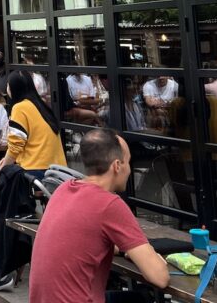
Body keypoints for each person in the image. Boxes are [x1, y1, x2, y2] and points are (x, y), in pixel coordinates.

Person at [29, 128, 169, 303]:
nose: (129, 170)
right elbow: (159, 278)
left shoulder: (63, 190)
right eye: (128, 163)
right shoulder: (109, 204)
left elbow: (88, 238)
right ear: (117, 166)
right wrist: (155, 260)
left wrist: (129, 249)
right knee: (143, 299)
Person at [0, 69, 66, 290]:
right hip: (56, 175)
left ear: (15, 88)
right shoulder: (41, 105)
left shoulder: (20, 107)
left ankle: (0, 271)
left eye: (8, 85)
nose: (6, 89)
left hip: (35, 176)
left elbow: (17, 143)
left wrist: (5, 166)